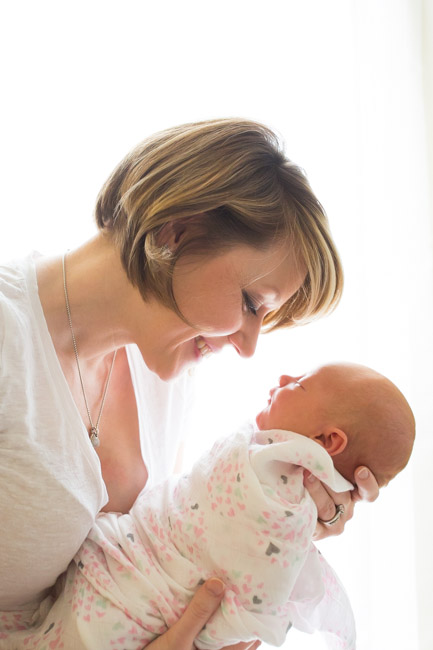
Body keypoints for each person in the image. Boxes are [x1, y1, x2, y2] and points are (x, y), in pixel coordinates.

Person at [0, 118, 379, 650]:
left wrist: (279, 519)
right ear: (177, 231)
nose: (247, 346)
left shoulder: (168, 379)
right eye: (252, 304)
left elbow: (153, 563)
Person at [0, 362, 414, 650]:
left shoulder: (287, 505)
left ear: (328, 442)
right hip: (122, 561)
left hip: (132, 609)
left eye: (300, 384)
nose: (284, 376)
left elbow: (256, 601)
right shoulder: (263, 460)